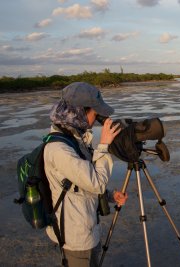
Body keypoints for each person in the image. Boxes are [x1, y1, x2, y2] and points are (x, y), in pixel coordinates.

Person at [44, 82, 128, 267]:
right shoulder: (59, 149)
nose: (96, 117)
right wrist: (104, 145)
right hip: (76, 238)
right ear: (79, 112)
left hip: (87, 229)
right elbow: (95, 182)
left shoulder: (75, 137)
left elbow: (83, 182)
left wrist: (110, 195)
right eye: (94, 112)